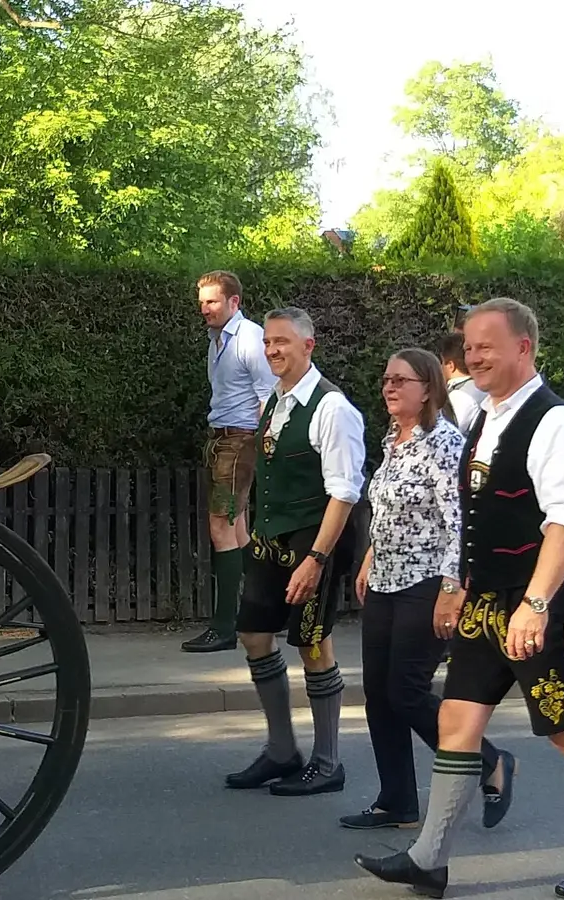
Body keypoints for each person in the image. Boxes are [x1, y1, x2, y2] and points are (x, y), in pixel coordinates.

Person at [356, 298, 564, 900]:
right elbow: (471, 519)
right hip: (486, 602)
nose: (473, 357)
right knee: (456, 720)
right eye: (469, 347)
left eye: (486, 346)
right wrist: (457, 588)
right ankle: (429, 860)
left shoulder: (556, 423)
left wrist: (537, 604)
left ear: (524, 347)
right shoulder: (482, 417)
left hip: (541, 605)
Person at [344, 348, 515, 832]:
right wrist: (371, 556)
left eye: (400, 380)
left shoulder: (444, 443)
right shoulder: (392, 441)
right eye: (386, 379)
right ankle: (397, 801)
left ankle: (490, 762)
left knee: (407, 691)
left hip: (427, 582)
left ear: (428, 389)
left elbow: (460, 522)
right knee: (378, 695)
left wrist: (452, 587)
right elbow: (387, 509)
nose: (389, 387)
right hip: (385, 580)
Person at [225, 307, 365, 797]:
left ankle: (328, 762)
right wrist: (245, 520)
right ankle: (282, 750)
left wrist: (317, 559)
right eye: (267, 342)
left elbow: (344, 493)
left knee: (313, 644)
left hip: (312, 541)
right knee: (253, 635)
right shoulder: (274, 400)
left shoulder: (332, 408)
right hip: (270, 540)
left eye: (281, 341)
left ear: (309, 345)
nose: (272, 350)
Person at [183, 270, 277, 653]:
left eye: (212, 302)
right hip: (223, 438)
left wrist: (261, 447)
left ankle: (224, 628)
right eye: (202, 302)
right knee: (237, 530)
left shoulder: (249, 339)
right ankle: (258, 614)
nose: (204, 309)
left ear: (233, 302)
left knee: (220, 526)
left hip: (239, 440)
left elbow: (267, 395)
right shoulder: (217, 339)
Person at [436, 331, 486, 431]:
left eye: (442, 363)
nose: (440, 368)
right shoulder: (480, 387)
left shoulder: (460, 396)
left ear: (451, 365)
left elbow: (447, 431)